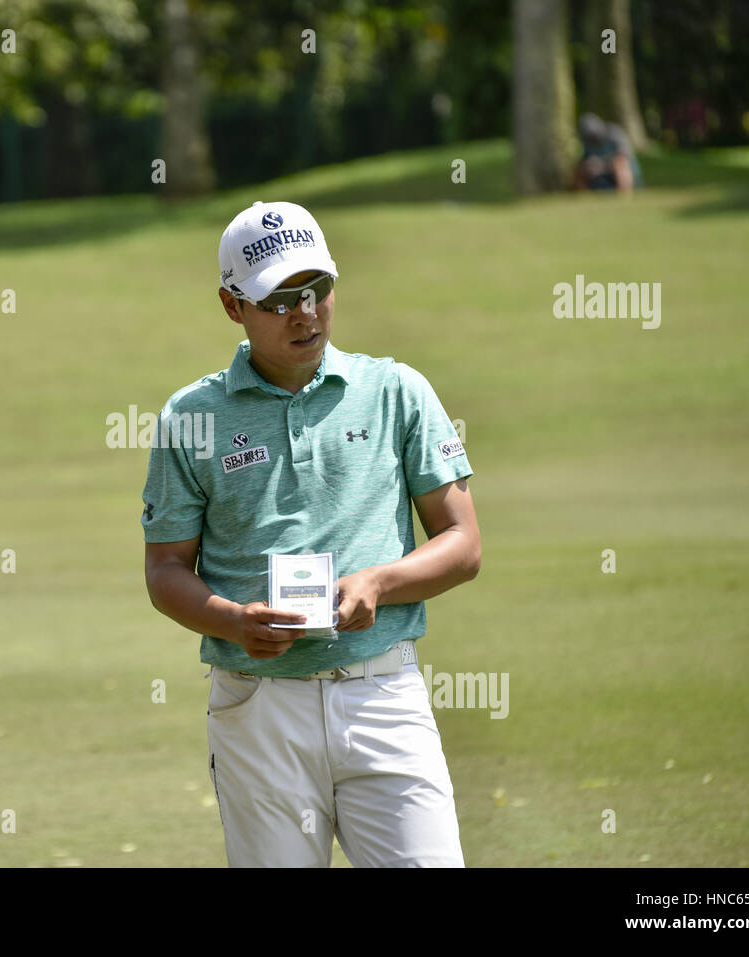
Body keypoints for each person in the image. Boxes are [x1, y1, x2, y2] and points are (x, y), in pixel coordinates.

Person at [142, 201, 480, 867]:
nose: (305, 313)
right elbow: (165, 570)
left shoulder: (396, 390)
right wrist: (234, 620)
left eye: (317, 290)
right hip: (257, 704)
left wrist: (381, 581)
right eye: (279, 299)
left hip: (382, 691)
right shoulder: (190, 415)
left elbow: (462, 543)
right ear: (231, 304)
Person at [574, 112, 643, 191]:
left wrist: (602, 165)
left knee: (619, 164)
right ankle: (584, 197)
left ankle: (625, 195)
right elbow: (585, 158)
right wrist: (589, 165)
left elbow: (623, 156)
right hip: (599, 175)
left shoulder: (613, 133)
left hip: (621, 172)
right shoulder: (587, 142)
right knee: (580, 169)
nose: (592, 139)